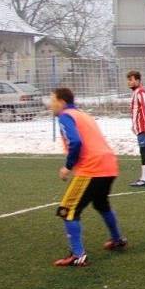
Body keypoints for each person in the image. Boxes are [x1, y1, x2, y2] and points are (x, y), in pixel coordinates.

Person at [49, 87, 126, 267]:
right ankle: (117, 239)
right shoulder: (83, 115)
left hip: (92, 168)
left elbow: (75, 141)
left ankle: (78, 255)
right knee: (101, 204)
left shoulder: (65, 116)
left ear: (61, 101)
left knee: (67, 210)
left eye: (52, 100)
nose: (50, 104)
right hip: (109, 165)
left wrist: (67, 166)